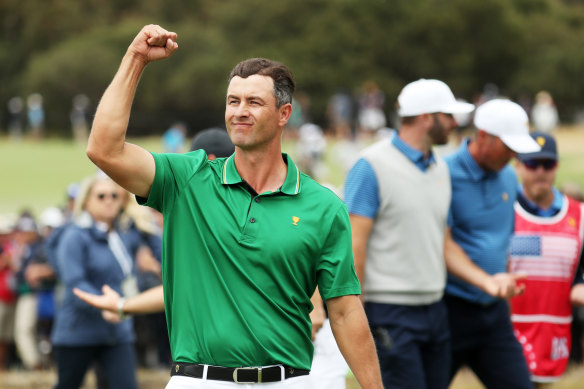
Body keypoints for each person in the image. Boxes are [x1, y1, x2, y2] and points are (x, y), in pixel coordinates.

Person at [81, 24, 382, 388]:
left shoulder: (322, 206)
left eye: (254, 102)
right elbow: (104, 149)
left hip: (290, 381)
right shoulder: (187, 180)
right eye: (233, 101)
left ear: (284, 114)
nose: (240, 111)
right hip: (200, 380)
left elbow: (346, 311)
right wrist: (136, 59)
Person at [345, 79, 528, 389]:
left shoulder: (438, 169)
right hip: (390, 313)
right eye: (448, 116)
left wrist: (487, 281)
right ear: (427, 117)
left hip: (435, 310)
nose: (455, 124)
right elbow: (354, 243)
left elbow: (443, 242)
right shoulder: (371, 165)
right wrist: (355, 315)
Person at [444, 98, 542, 388]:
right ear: (483, 136)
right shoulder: (443, 173)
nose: (513, 156)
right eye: (508, 146)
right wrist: (485, 280)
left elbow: (505, 240)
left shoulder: (509, 176)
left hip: (494, 312)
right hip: (449, 310)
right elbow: (441, 242)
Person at [51, 174, 146, 389]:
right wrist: (105, 306)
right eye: (101, 196)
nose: (109, 200)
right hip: (79, 332)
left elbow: (129, 276)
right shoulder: (75, 237)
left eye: (114, 195)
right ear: (86, 202)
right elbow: (75, 283)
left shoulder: (121, 235)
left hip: (117, 332)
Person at [509, 132, 584, 388]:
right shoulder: (502, 210)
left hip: (555, 328)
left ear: (557, 166)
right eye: (532, 163)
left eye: (548, 164)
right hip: (509, 329)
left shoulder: (579, 215)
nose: (540, 171)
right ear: (518, 165)